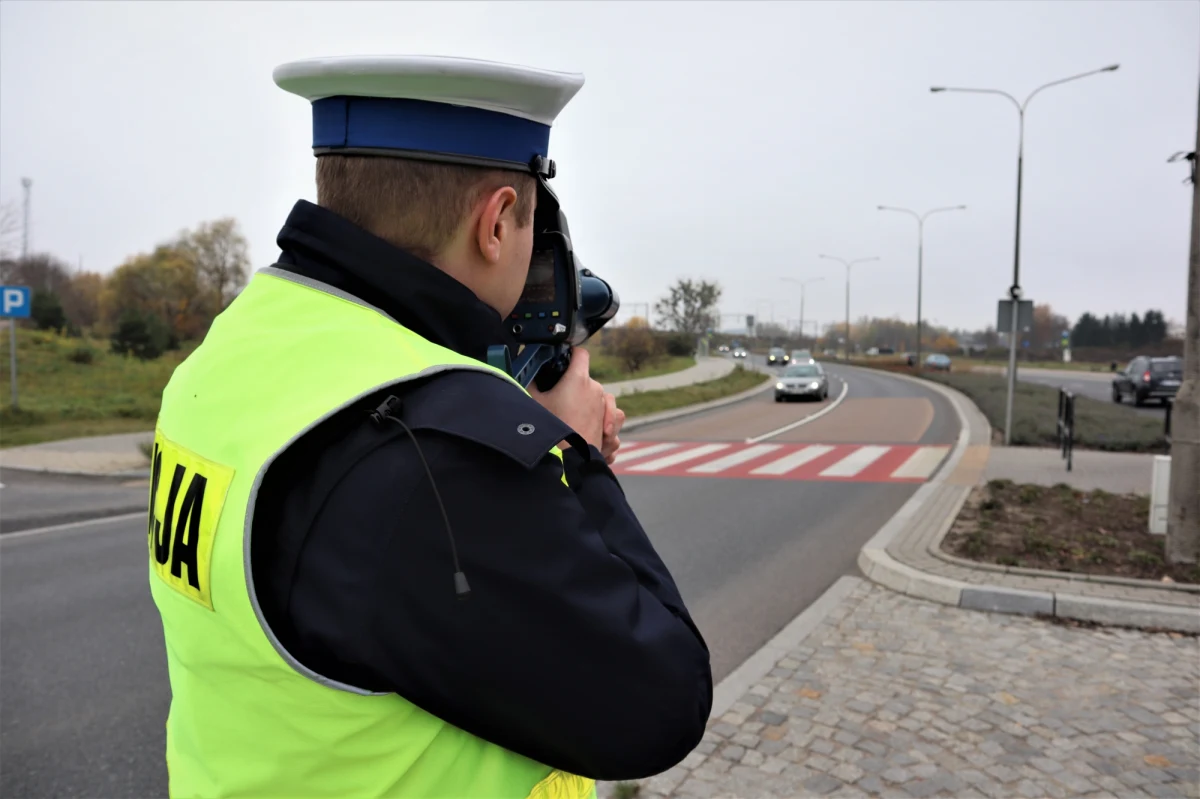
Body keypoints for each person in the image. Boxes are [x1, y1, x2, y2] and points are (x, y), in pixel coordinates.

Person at [146, 55, 712, 799]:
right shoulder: (440, 451)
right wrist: (566, 445)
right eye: (530, 223)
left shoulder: (223, 359)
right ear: (494, 222)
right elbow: (661, 701)